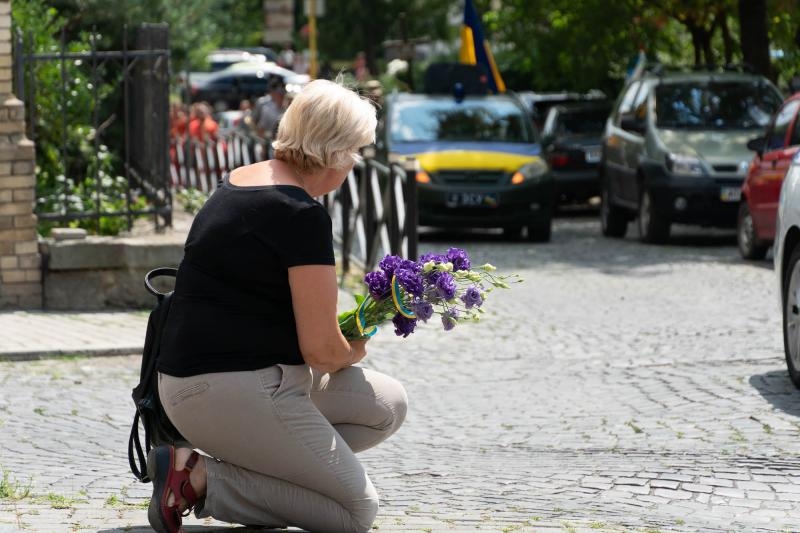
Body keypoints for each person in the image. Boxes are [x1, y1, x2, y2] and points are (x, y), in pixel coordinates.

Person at [146, 79, 407, 533]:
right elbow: (323, 352)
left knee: (387, 404)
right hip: (225, 390)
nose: (355, 163)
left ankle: (257, 468)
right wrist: (359, 343)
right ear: (335, 152)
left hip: (203, 382)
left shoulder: (241, 181)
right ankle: (203, 479)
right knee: (354, 513)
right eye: (356, 151)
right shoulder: (300, 215)